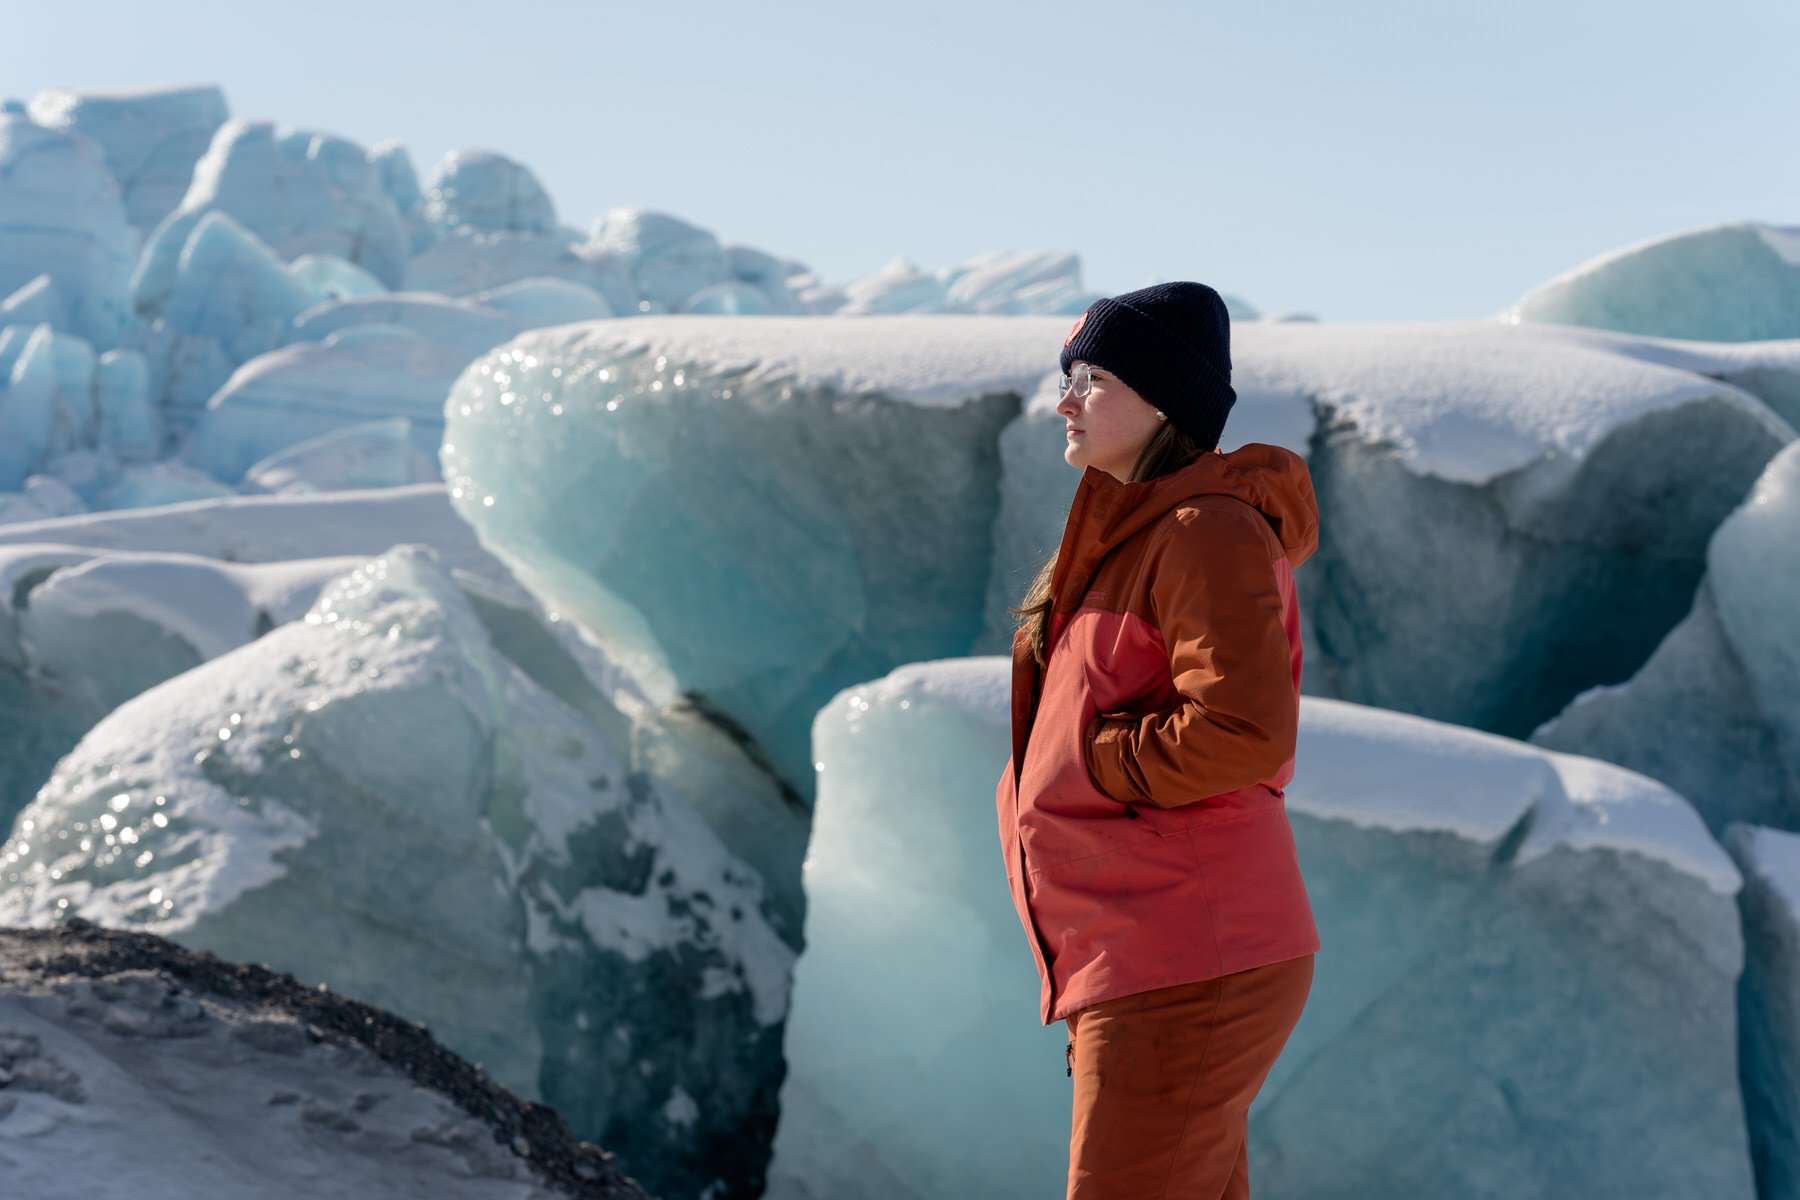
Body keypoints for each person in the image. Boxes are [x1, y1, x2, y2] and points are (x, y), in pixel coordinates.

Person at [995, 282, 1321, 1199]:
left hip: (1185, 949)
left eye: (1092, 379)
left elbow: (1244, 729)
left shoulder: (1201, 530)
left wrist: (1103, 764)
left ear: (1164, 401)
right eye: (1069, 375)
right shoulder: (1133, 535)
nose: (1065, 399)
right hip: (1145, 946)